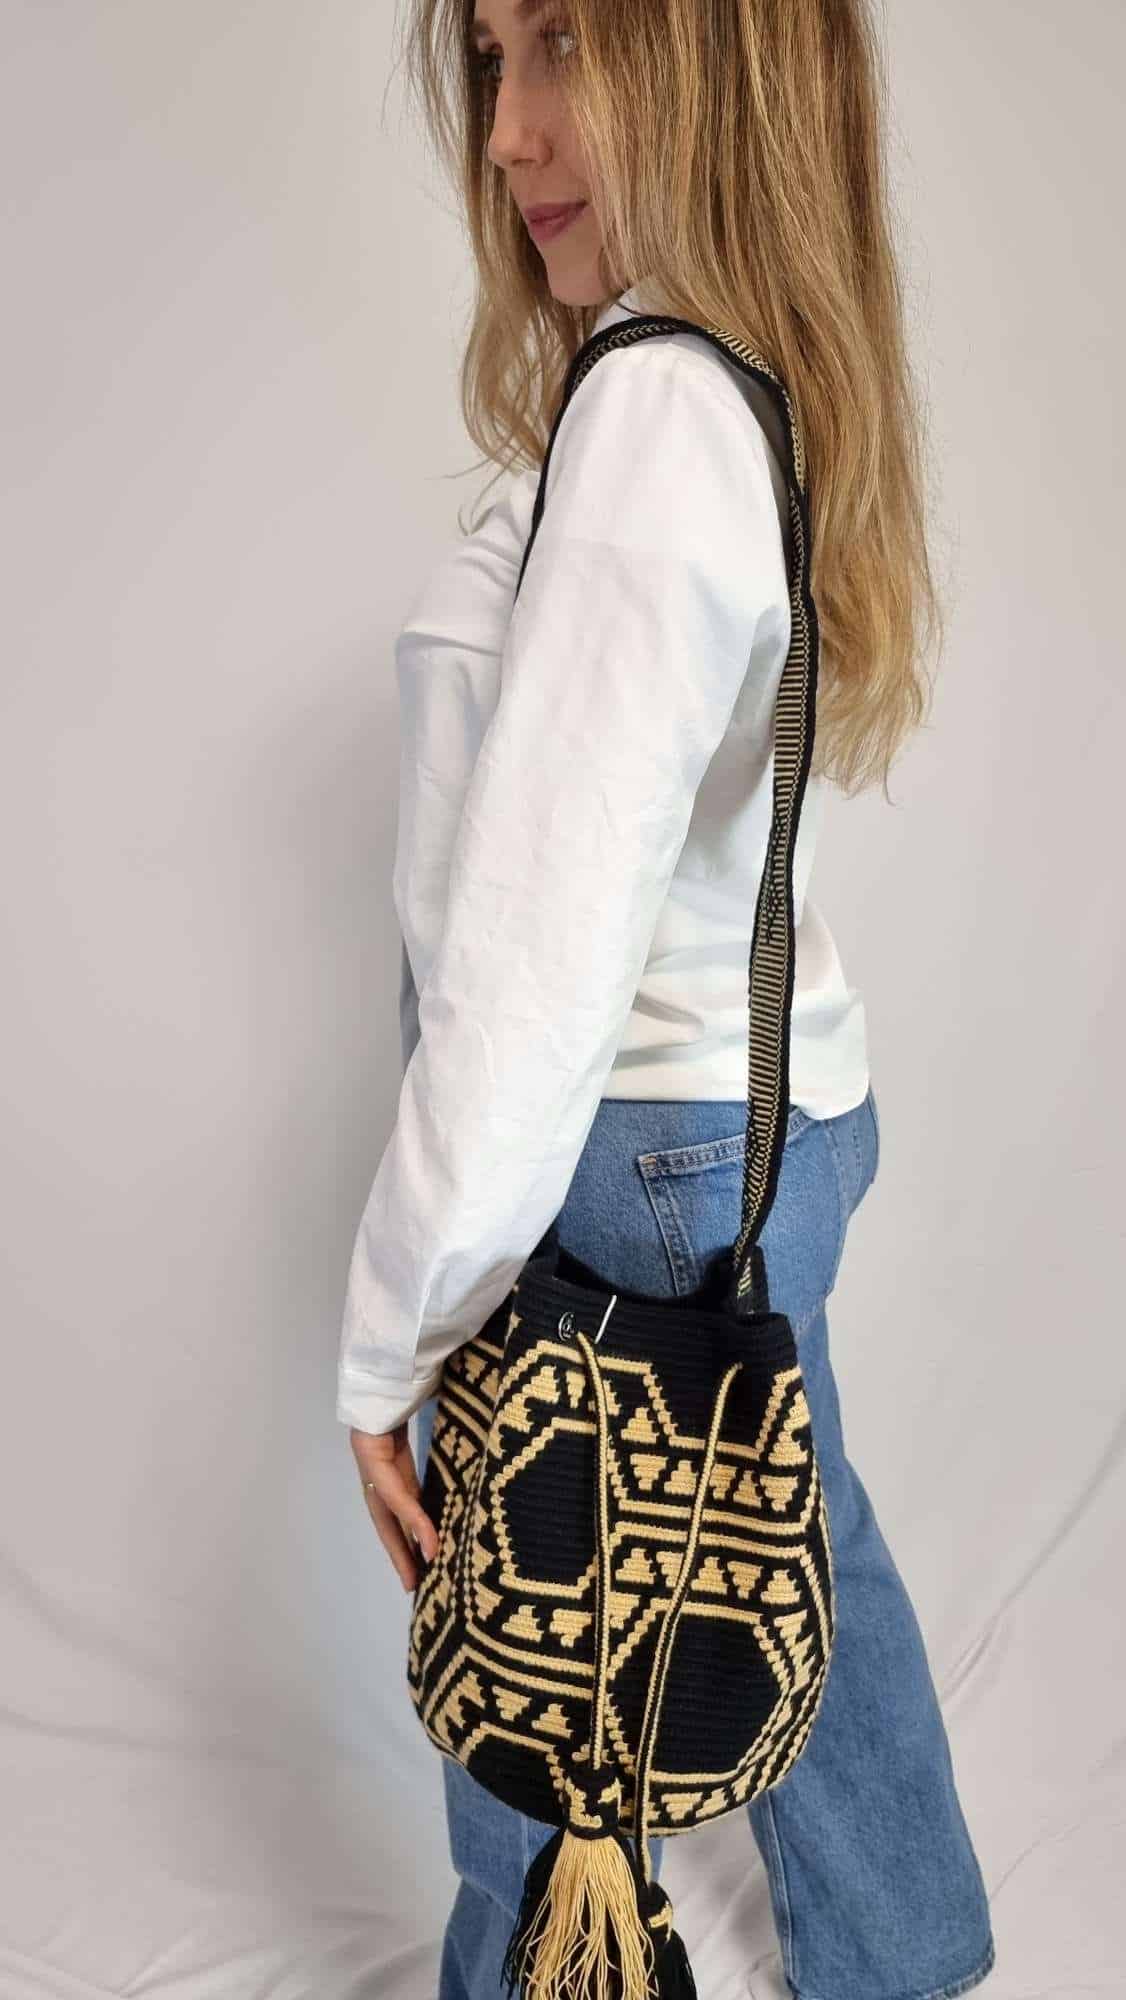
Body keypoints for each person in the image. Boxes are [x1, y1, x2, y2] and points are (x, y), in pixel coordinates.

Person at [336, 0, 996, 1994]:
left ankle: (536, 1971)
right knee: (785, 1541)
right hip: (752, 1112)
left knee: (532, 1646)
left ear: (713, 66)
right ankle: (901, 1953)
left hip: (618, 1141)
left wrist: (394, 1331)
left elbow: (532, 966)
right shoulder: (721, 390)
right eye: (491, 57)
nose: (506, 130)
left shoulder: (649, 412)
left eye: (562, 46)